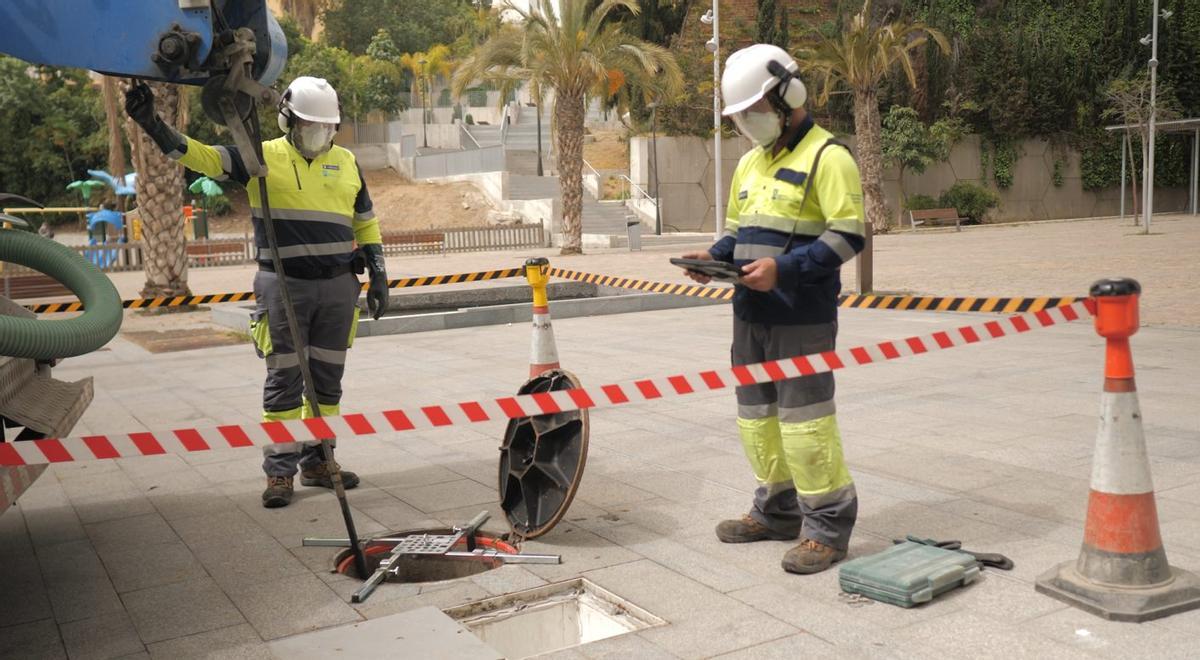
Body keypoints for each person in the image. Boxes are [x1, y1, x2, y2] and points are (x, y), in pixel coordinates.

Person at [125, 77, 390, 508]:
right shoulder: (259, 157)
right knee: (284, 379)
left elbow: (366, 223)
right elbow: (204, 157)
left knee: (327, 383)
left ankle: (319, 460)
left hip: (339, 287)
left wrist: (379, 274)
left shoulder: (346, 162)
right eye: (310, 126)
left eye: (326, 128)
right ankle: (280, 473)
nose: (319, 135)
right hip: (284, 286)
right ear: (287, 119)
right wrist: (155, 125)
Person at [681, 44, 866, 574]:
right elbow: (739, 231)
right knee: (757, 421)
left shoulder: (829, 157)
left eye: (752, 111)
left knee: (807, 425)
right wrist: (712, 258)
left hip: (801, 317)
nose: (746, 123)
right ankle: (779, 510)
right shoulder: (749, 163)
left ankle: (827, 528)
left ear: (790, 96)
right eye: (739, 115)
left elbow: (849, 235)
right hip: (750, 315)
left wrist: (784, 269)